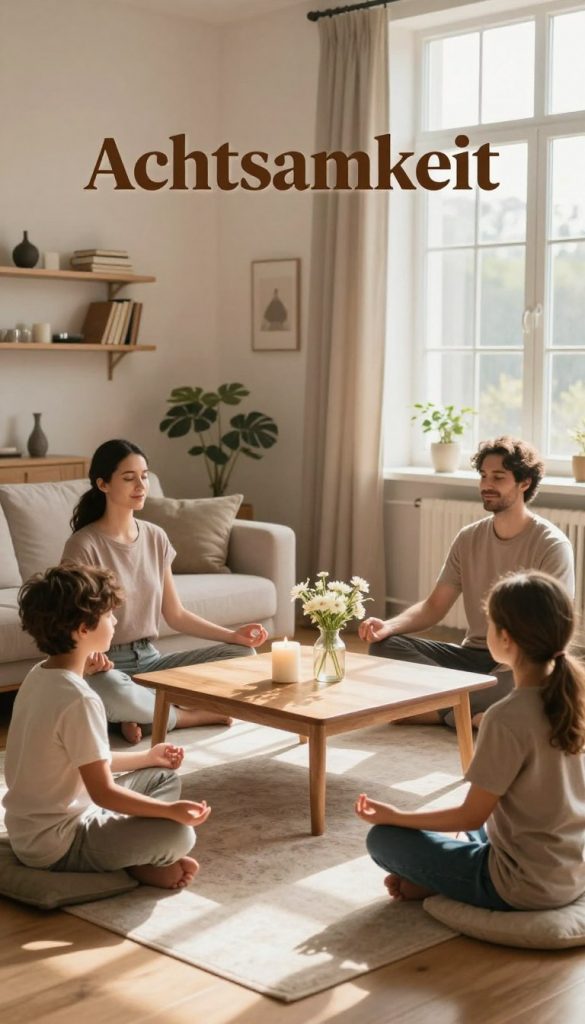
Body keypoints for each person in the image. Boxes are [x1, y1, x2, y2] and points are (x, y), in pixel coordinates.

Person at [355, 570, 585, 911]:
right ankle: (433, 879)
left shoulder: (505, 717)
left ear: (505, 638)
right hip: (572, 870)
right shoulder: (573, 697)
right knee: (489, 826)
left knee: (384, 839)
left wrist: (396, 816)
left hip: (523, 884)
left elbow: (469, 817)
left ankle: (436, 883)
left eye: (489, 623)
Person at [3, 564, 211, 889]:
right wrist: (170, 811)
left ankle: (129, 850)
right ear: (83, 629)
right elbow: (103, 793)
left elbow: (85, 759)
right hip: (59, 843)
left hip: (30, 831)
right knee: (179, 834)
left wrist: (149, 757)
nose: (115, 622)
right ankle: (135, 866)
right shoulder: (79, 699)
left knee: (161, 775)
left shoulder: (38, 675)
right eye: (110, 615)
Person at [62, 439, 268, 744]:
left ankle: (139, 715)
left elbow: (176, 614)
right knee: (114, 690)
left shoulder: (156, 537)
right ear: (103, 484)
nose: (140, 485)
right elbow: (69, 623)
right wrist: (88, 659)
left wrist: (232, 636)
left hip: (152, 660)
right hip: (104, 666)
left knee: (242, 655)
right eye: (129, 478)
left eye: (144, 476)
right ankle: (184, 716)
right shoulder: (84, 545)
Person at [359, 437, 575, 726]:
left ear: (524, 482)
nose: (487, 484)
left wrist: (509, 668)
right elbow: (434, 607)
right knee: (384, 647)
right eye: (483, 476)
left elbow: (551, 631)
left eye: (498, 477)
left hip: (520, 664)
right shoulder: (469, 538)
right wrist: (389, 627)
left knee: (533, 686)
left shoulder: (551, 545)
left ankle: (435, 710)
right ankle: (462, 713)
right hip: (471, 659)